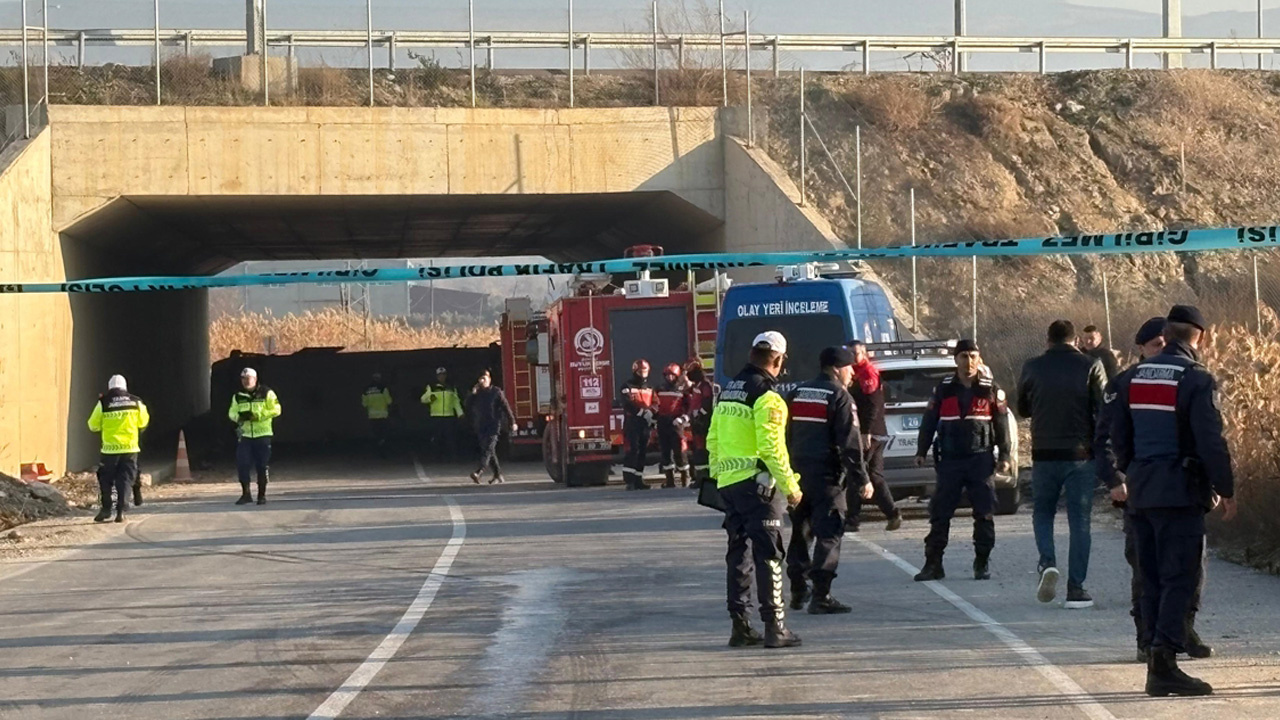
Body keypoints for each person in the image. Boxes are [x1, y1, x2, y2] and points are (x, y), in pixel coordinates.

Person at [1110, 305, 1236, 697]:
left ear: (1167, 333)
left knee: (1149, 576)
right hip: (1180, 490)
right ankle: (1164, 661)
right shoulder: (1196, 379)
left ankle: (1152, 654)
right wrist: (1225, 487)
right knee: (1180, 576)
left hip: (1142, 490)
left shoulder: (1130, 377)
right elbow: (1209, 439)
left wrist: (1134, 473)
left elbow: (1119, 438)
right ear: (1201, 336)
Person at [1096, 317, 1212, 664]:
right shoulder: (1124, 384)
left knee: (1191, 567)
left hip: (1178, 488)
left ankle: (1180, 629)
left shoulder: (1184, 379)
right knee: (1146, 568)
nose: (1163, 351)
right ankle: (1147, 638)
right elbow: (1104, 439)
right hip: (1139, 491)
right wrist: (1117, 479)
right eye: (1156, 346)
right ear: (1142, 349)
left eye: (1166, 343)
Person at [709, 331, 804, 649]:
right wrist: (791, 487)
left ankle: (740, 626)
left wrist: (717, 477)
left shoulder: (728, 392)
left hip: (730, 486)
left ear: (751, 354)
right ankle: (776, 627)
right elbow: (772, 447)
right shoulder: (768, 396)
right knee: (770, 555)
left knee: (738, 554)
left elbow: (713, 439)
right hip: (760, 488)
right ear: (778, 360)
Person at [1017, 320, 1107, 608]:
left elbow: (1022, 408)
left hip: (1044, 453)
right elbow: (1104, 408)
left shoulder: (1032, 367)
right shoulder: (1091, 365)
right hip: (1080, 455)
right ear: (1074, 340)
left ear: (1048, 340)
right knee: (1079, 521)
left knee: (1043, 513)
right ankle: (1076, 588)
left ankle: (1047, 562)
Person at [913, 339, 1012, 582]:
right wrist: (921, 450)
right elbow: (929, 421)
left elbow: (1002, 426)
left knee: (984, 512)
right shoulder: (944, 388)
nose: (968, 362)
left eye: (972, 356)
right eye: (963, 357)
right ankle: (933, 564)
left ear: (979, 359)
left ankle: (981, 562)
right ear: (956, 360)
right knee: (940, 512)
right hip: (950, 460)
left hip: (981, 460)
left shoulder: (990, 389)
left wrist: (1006, 455)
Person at [785, 346, 872, 615]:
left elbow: (784, 434)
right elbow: (849, 443)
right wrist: (862, 480)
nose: (853, 376)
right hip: (827, 476)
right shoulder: (840, 396)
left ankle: (799, 588)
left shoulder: (797, 393)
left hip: (796, 474)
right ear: (837, 369)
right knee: (830, 533)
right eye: (849, 369)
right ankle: (820, 594)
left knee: (800, 532)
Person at [846, 340, 903, 532]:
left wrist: (866, 432)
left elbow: (872, 404)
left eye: (856, 353)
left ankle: (852, 520)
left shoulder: (867, 373)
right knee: (875, 476)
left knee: (857, 473)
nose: (853, 357)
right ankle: (893, 513)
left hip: (870, 433)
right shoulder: (853, 373)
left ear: (865, 354)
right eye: (849, 353)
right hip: (872, 432)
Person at [87, 375, 150, 524]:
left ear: (109, 388)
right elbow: (143, 422)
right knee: (126, 479)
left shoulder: (103, 403)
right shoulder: (136, 401)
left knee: (106, 480)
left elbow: (92, 425)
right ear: (125, 387)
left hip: (109, 450)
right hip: (130, 448)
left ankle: (106, 509)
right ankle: (121, 511)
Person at [229, 368, 282, 506]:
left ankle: (261, 495)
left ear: (255, 379)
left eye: (249, 378)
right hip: (245, 435)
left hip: (263, 434)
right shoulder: (238, 396)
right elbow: (231, 412)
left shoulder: (266, 393)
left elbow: (276, 409)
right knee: (243, 464)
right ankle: (246, 494)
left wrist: (258, 415)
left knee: (262, 466)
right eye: (243, 378)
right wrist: (239, 417)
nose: (246, 381)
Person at [465, 370, 517, 485]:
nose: (482, 381)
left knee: (487, 449)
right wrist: (472, 394)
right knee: (490, 450)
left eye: (484, 378)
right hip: (481, 425)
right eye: (480, 379)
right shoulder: (477, 393)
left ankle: (479, 471)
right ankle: (498, 474)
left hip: (493, 425)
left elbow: (506, 407)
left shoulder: (496, 392)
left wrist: (512, 422)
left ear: (489, 379)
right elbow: (467, 405)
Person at [619, 359, 656, 491]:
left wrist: (652, 413)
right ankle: (630, 481)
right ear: (635, 371)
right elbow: (627, 403)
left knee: (642, 452)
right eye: (640, 371)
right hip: (632, 423)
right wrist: (641, 412)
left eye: (645, 371)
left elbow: (655, 402)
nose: (643, 374)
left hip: (645, 424)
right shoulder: (626, 386)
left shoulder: (650, 388)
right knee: (632, 450)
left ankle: (639, 479)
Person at [655, 363, 692, 488]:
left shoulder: (683, 390)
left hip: (676, 424)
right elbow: (654, 404)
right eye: (668, 375)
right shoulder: (659, 389)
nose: (670, 378)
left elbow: (690, 407)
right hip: (662, 423)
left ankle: (684, 477)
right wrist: (655, 418)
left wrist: (683, 418)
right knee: (665, 453)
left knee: (680, 452)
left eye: (672, 376)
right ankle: (669, 480)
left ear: (677, 376)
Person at [682, 360, 716, 486]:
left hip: (703, 423)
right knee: (698, 450)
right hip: (697, 423)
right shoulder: (698, 385)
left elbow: (708, 401)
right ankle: (700, 477)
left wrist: (699, 413)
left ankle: (704, 479)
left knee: (702, 451)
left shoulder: (705, 385)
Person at [421, 367, 463, 461]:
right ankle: (436, 457)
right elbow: (423, 399)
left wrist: (460, 413)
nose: (441, 377)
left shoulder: (451, 386)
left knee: (450, 437)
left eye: (443, 375)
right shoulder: (431, 387)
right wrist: (429, 399)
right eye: (440, 375)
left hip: (449, 416)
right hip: (436, 416)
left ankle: (453, 457)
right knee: (436, 437)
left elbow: (456, 401)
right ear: (436, 376)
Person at [361, 373, 393, 456]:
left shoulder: (366, 390)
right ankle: (383, 449)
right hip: (383, 415)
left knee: (376, 433)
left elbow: (364, 404)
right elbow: (389, 401)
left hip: (372, 416)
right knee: (384, 434)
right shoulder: (383, 389)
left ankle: (377, 448)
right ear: (380, 379)